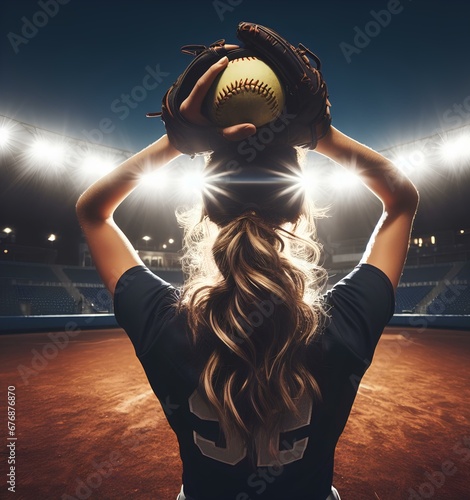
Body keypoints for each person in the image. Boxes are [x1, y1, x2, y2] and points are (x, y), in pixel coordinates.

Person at [76, 50, 419, 500]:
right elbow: (402, 201)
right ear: (299, 208)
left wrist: (174, 144)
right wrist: (323, 135)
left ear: (207, 209)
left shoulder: (166, 323)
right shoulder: (345, 322)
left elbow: (92, 212)